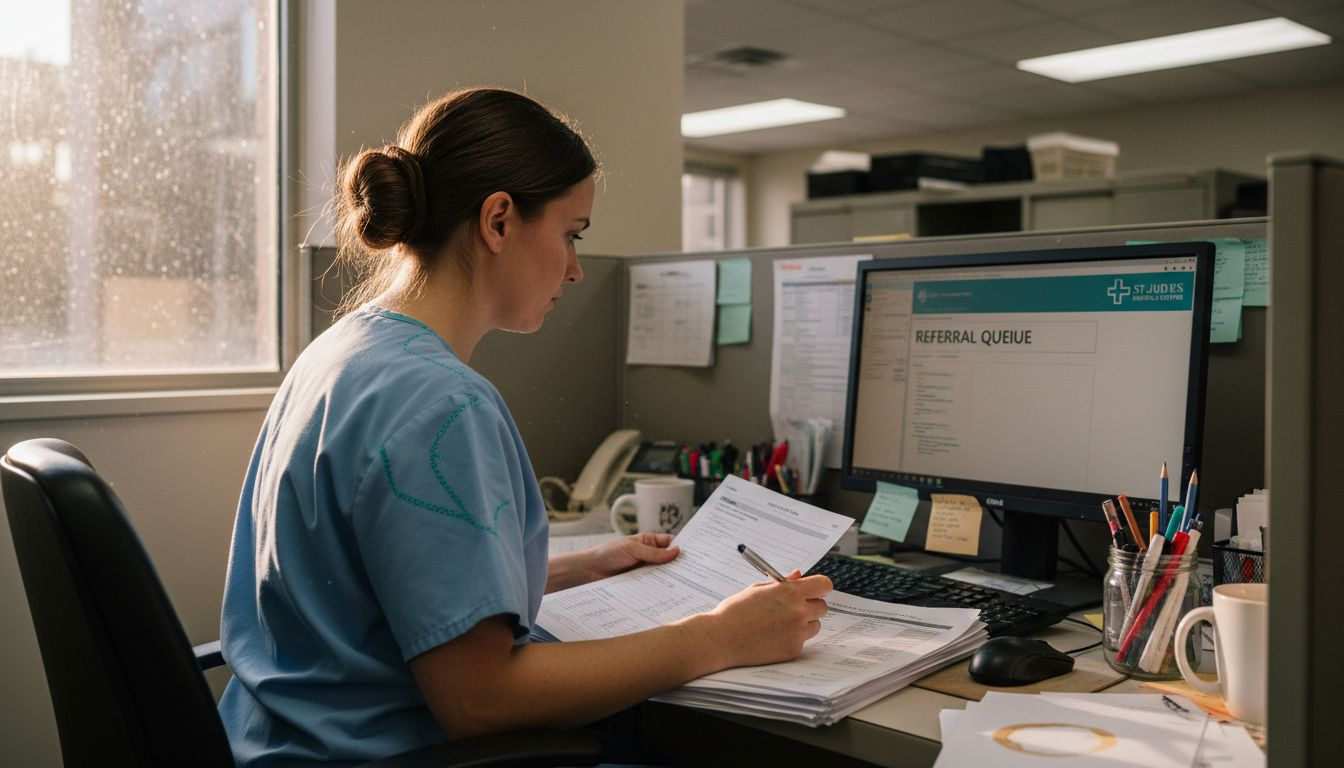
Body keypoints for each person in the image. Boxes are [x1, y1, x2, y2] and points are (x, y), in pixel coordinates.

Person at [218, 87, 832, 767]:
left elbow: (374, 584)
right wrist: (720, 636)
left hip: (277, 741)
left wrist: (578, 566)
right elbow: (481, 700)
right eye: (571, 234)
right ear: (500, 220)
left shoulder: (346, 350)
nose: (574, 270)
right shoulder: (442, 404)